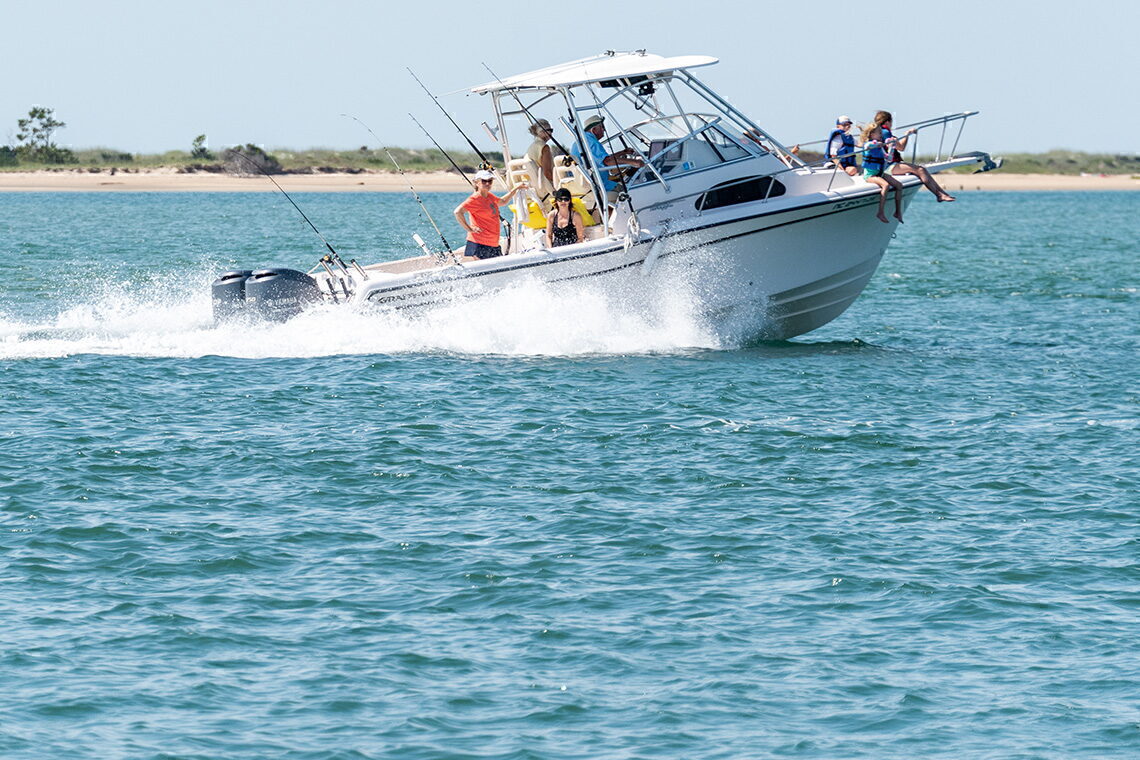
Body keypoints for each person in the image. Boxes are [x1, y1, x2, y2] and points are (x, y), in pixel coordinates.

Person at [872, 110, 955, 202]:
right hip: (888, 166)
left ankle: (941, 193)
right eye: (891, 122)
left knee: (921, 169)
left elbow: (897, 146)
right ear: (887, 121)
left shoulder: (878, 132)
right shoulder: (885, 132)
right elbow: (901, 147)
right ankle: (939, 194)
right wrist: (907, 135)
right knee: (920, 170)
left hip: (886, 165)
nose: (891, 124)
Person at [453, 169, 528, 260]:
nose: (487, 183)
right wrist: (469, 229)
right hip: (480, 243)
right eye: (484, 181)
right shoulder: (474, 199)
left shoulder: (489, 196)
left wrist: (516, 189)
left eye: (490, 181)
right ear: (477, 183)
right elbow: (458, 212)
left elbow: (503, 201)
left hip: (493, 243)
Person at [570, 114, 644, 203]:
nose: (604, 130)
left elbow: (603, 158)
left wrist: (623, 152)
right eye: (602, 127)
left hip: (586, 186)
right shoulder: (590, 141)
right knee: (635, 191)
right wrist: (634, 162)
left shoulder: (580, 141)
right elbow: (607, 161)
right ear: (594, 130)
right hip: (601, 186)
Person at [860, 124, 904, 224]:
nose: (881, 134)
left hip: (880, 173)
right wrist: (876, 144)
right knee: (886, 185)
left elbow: (888, 158)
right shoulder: (869, 145)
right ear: (871, 134)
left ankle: (898, 212)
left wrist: (891, 147)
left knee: (899, 185)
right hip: (870, 175)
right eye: (879, 133)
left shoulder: (880, 147)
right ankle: (880, 212)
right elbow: (867, 146)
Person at [526, 118, 557, 198]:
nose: (551, 132)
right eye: (550, 130)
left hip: (536, 189)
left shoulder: (531, 147)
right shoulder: (544, 147)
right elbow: (547, 173)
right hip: (548, 189)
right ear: (542, 132)